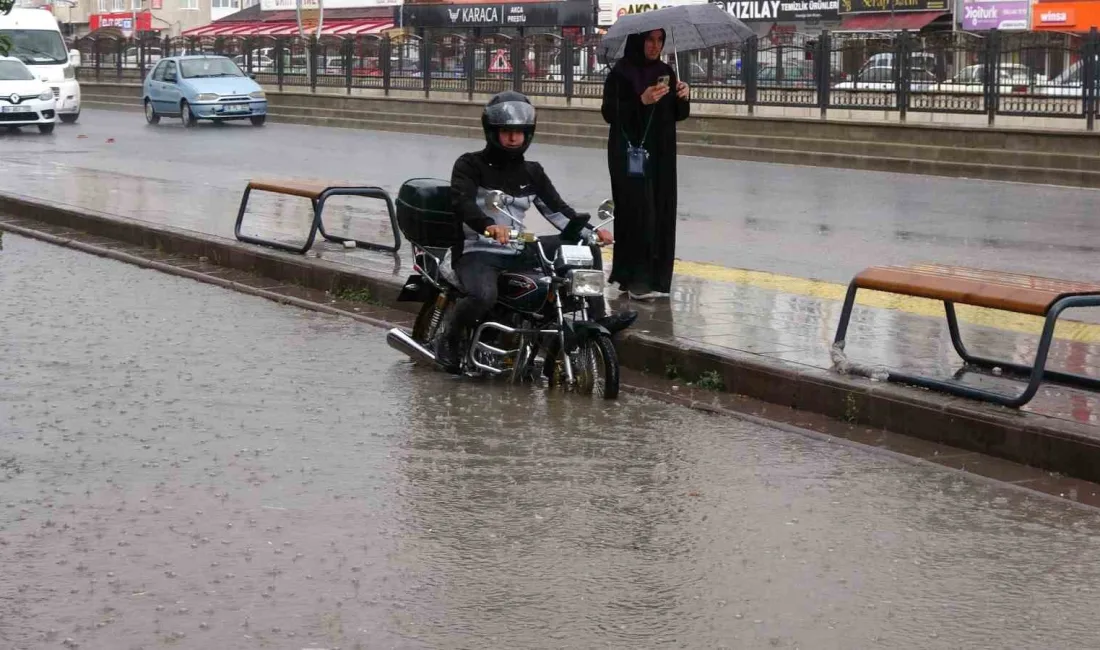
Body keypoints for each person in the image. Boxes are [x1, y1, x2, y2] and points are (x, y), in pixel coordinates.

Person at [437, 90, 638, 373]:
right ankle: (450, 338)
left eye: (519, 132)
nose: (513, 138)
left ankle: (598, 317)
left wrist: (592, 233)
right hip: (477, 251)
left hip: (517, 248)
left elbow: (558, 211)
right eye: (506, 131)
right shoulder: (469, 165)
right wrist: (488, 226)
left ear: (528, 134)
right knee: (484, 295)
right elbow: (462, 202)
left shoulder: (532, 172)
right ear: (492, 131)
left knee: (582, 248)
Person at [601, 29, 690, 300]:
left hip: (661, 154)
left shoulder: (665, 71)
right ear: (638, 42)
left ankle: (656, 279)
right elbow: (609, 112)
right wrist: (641, 100)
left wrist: (683, 97)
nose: (655, 45)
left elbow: (676, 115)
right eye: (650, 40)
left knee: (661, 211)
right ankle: (634, 278)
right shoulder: (621, 73)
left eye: (660, 40)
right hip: (630, 154)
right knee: (637, 212)